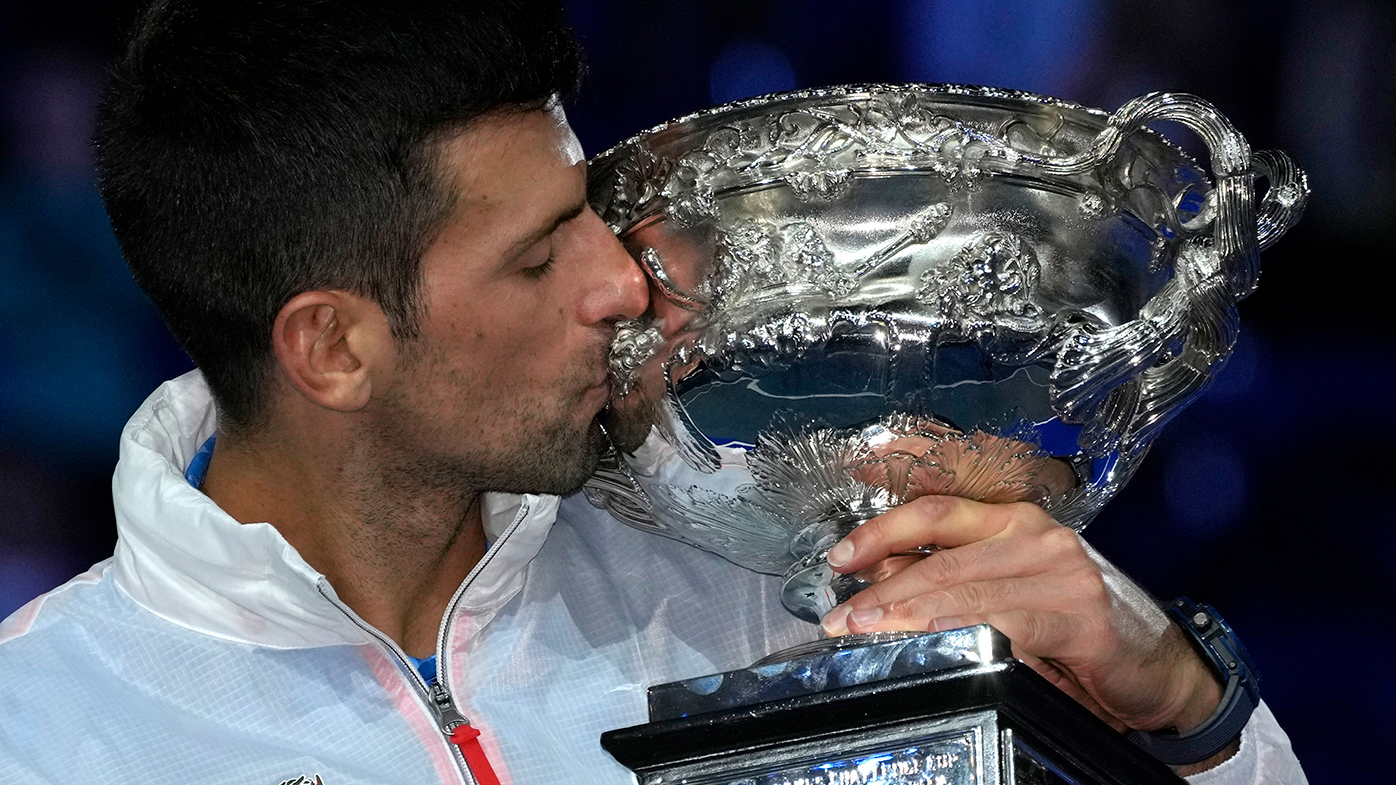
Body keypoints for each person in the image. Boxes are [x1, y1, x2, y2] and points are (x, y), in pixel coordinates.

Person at [0, 1, 1306, 783]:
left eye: (587, 213)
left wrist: (1182, 707)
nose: (618, 284)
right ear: (332, 347)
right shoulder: (46, 733)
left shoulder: (770, 585)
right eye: (535, 257)